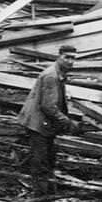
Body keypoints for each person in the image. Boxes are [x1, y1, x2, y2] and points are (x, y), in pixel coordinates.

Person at [17, 45, 79, 189]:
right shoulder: (51, 76)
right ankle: (40, 193)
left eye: (73, 58)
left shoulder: (59, 73)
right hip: (38, 122)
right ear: (59, 56)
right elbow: (48, 106)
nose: (70, 61)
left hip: (45, 122)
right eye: (67, 57)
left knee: (49, 156)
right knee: (41, 160)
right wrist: (66, 121)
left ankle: (47, 188)